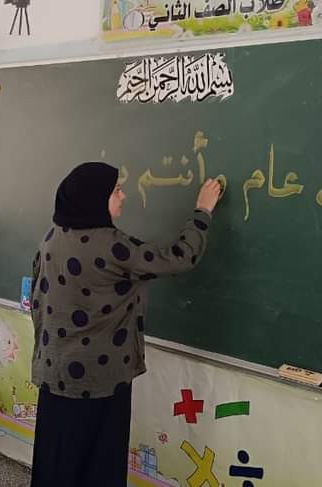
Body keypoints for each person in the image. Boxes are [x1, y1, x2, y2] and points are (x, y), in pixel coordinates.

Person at [29, 161, 222, 486]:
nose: (123, 196)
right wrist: (202, 212)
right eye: (116, 190)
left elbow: (36, 298)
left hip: (55, 373)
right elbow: (178, 257)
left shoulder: (51, 238)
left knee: (57, 459)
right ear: (96, 199)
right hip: (100, 379)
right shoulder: (111, 245)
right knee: (99, 463)